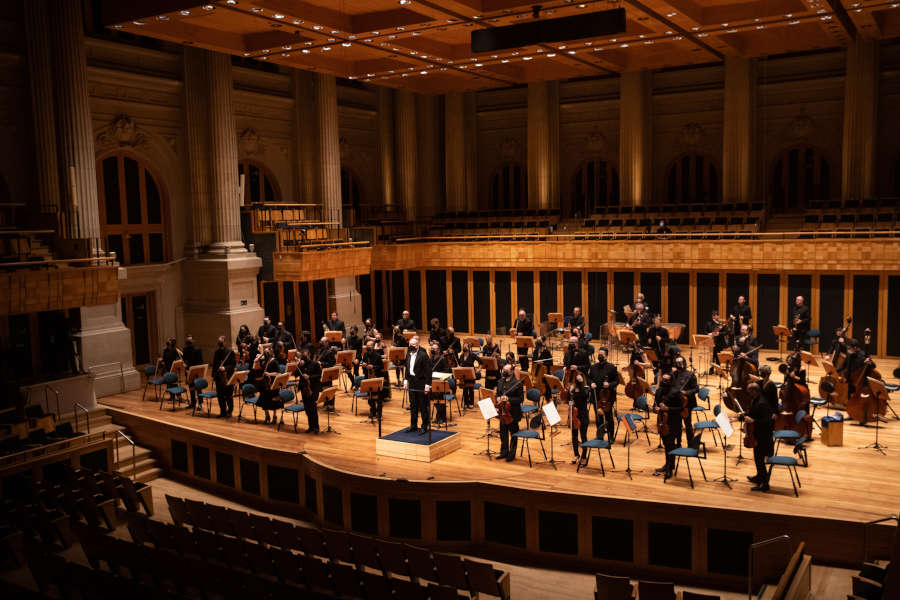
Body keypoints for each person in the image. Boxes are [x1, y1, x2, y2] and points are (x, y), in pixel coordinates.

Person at [653, 373, 683, 480]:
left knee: (670, 445)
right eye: (663, 379)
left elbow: (680, 409)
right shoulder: (659, 391)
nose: (664, 381)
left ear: (671, 381)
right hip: (662, 422)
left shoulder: (676, 392)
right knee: (666, 444)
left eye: (666, 380)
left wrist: (668, 409)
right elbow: (654, 406)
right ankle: (668, 464)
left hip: (673, 423)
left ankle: (670, 468)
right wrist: (655, 409)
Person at [745, 382, 774, 491]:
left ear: (755, 391)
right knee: (757, 458)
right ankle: (759, 477)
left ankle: (765, 484)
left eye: (749, 392)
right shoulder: (756, 400)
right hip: (757, 435)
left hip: (764, 437)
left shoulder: (762, 403)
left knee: (760, 460)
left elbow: (768, 422)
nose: (748, 394)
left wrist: (754, 421)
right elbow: (753, 413)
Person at [403, 336, 432, 433]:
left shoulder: (423, 355)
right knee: (413, 404)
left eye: (413, 345)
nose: (411, 346)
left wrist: (427, 385)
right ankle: (413, 425)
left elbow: (428, 371)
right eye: (410, 345)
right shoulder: (408, 354)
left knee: (423, 405)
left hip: (421, 382)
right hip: (412, 382)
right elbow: (407, 368)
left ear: (418, 345)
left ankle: (424, 426)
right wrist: (406, 380)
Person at [589, 349, 619, 441]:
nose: (600, 356)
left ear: (606, 356)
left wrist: (609, 385)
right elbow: (589, 379)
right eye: (599, 354)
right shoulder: (593, 367)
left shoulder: (611, 367)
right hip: (596, 396)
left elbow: (616, 381)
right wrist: (591, 383)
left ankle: (611, 436)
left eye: (602, 354)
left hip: (608, 397)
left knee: (609, 417)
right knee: (599, 417)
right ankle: (600, 436)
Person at [496, 363, 524, 462]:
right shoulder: (500, 382)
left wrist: (508, 398)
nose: (504, 372)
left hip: (513, 413)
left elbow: (520, 399)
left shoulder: (517, 383)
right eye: (503, 370)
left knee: (513, 434)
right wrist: (498, 398)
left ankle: (511, 454)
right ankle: (504, 452)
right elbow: (497, 394)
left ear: (511, 372)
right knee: (503, 433)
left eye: (506, 371)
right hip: (503, 412)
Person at [672, 355, 698, 441]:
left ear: (684, 363)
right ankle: (678, 443)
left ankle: (690, 443)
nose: (679, 364)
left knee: (687, 424)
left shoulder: (690, 374)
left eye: (681, 362)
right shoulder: (674, 374)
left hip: (687, 403)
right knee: (677, 424)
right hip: (676, 403)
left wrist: (686, 392)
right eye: (677, 362)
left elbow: (696, 389)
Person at [360, 341, 388, 421]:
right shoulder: (365, 355)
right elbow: (363, 364)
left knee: (378, 399)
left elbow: (381, 367)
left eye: (370, 346)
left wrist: (373, 367)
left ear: (373, 347)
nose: (368, 347)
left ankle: (379, 414)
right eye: (367, 346)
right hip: (368, 378)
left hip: (376, 378)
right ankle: (373, 411)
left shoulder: (377, 356)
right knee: (370, 398)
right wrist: (364, 365)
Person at [568, 372, 591, 464]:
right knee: (574, 436)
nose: (578, 378)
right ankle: (576, 455)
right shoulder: (573, 389)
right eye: (577, 377)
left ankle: (584, 456)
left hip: (583, 414)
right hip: (574, 414)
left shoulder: (586, 388)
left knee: (583, 436)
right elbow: (569, 399)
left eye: (580, 377)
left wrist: (581, 383)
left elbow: (585, 396)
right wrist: (570, 402)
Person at [297, 349, 320, 433]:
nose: (304, 357)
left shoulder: (315, 364)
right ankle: (310, 426)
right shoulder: (302, 365)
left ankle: (316, 427)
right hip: (304, 389)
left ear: (309, 355)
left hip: (312, 389)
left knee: (313, 409)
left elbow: (318, 376)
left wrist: (309, 377)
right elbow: (296, 374)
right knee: (307, 409)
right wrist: (298, 365)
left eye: (305, 355)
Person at [212, 336, 235, 418]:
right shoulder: (216, 352)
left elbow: (233, 365)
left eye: (221, 342)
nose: (220, 343)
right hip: (219, 377)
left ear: (225, 342)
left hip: (227, 376)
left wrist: (225, 368)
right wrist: (213, 376)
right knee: (220, 396)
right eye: (219, 342)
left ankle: (230, 411)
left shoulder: (230, 352)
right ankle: (223, 412)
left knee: (228, 395)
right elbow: (214, 365)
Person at [182, 335, 203, 408]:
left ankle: (200, 404)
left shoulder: (197, 350)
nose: (189, 343)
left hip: (196, 371)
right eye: (188, 341)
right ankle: (193, 403)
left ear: (193, 341)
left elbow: (200, 362)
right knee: (191, 388)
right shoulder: (185, 350)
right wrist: (185, 365)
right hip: (188, 371)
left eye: (190, 341)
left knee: (198, 387)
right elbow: (185, 360)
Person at [458, 344, 478, 409]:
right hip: (464, 375)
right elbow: (460, 364)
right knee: (465, 390)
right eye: (463, 346)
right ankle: (466, 403)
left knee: (471, 389)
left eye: (465, 346)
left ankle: (471, 403)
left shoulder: (472, 355)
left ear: (469, 348)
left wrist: (478, 370)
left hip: (471, 375)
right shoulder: (461, 356)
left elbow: (481, 361)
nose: (464, 347)